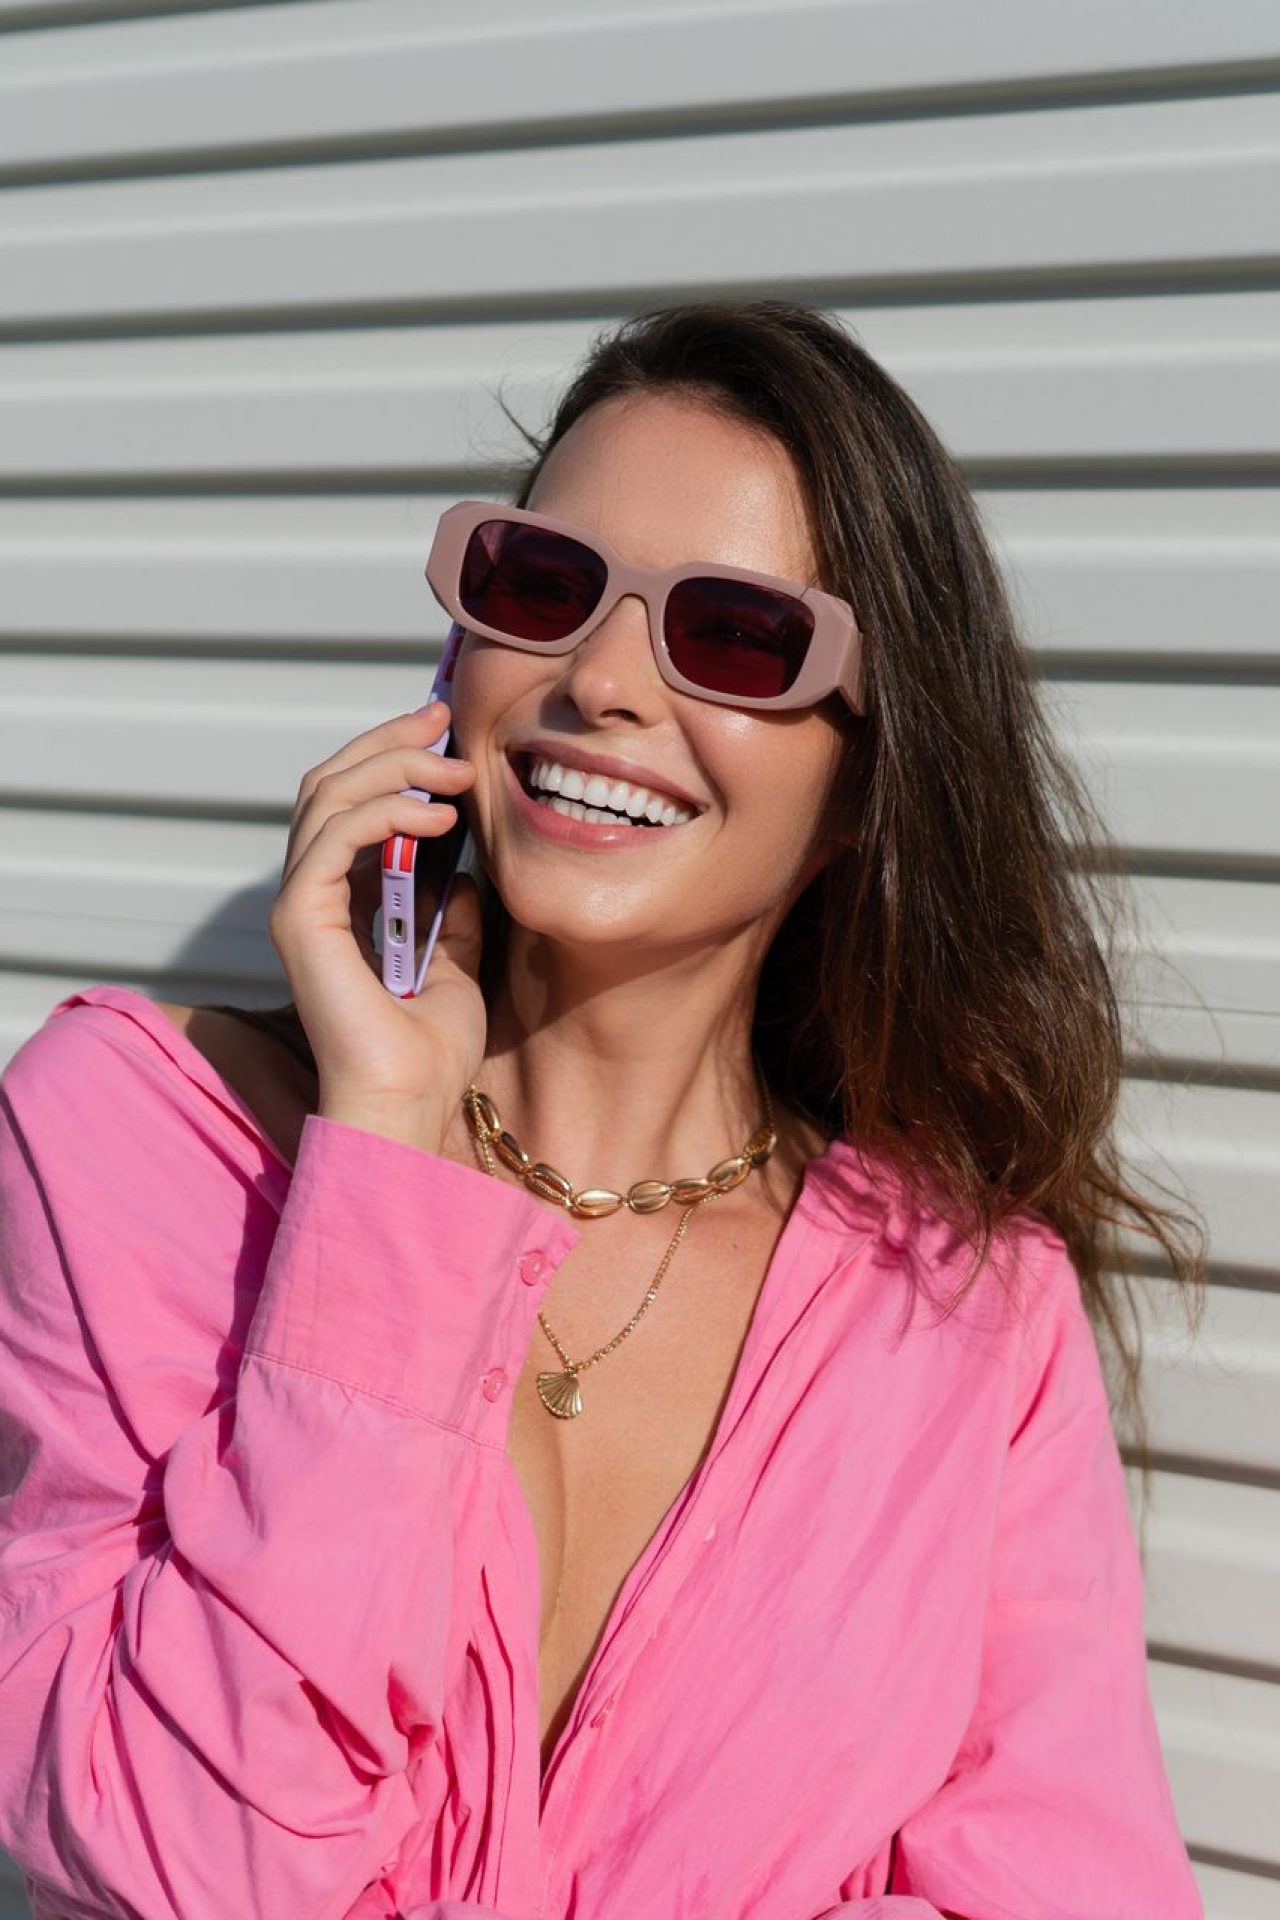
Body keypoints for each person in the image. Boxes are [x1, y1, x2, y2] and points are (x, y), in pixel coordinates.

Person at [0, 299, 1207, 1920]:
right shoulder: (134, 1142)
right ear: (459, 657)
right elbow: (193, 1858)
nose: (602, 681)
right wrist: (381, 1152)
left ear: (868, 783)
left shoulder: (966, 1318)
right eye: (544, 587)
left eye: (738, 635)